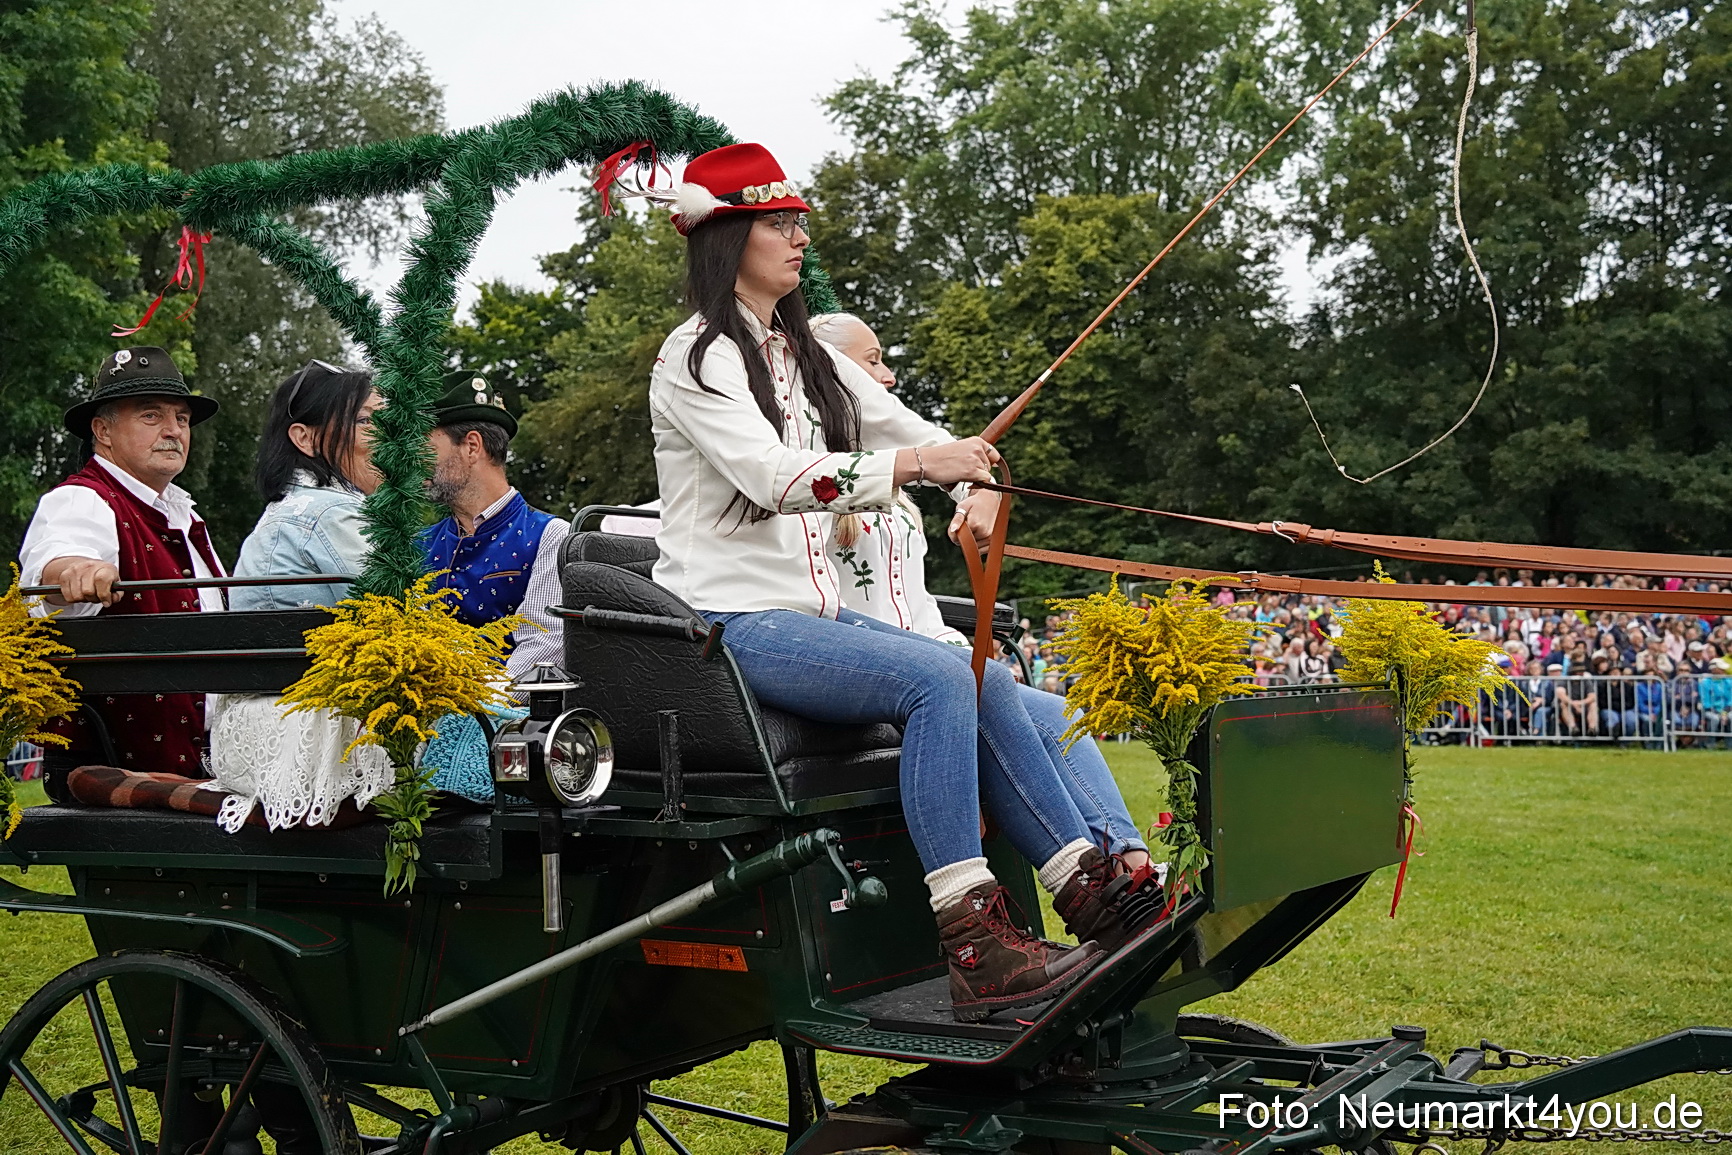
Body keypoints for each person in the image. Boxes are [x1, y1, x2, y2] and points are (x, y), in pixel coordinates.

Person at [645, 143, 1153, 1021]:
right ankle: (973, 940)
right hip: (724, 622)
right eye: (778, 221)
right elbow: (774, 474)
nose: (799, 236)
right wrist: (923, 465)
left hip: (812, 612)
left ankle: (1089, 889)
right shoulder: (695, 357)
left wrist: (975, 482)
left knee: (982, 670)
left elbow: (905, 423)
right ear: (728, 238)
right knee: (933, 676)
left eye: (798, 220)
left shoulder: (806, 351)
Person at [810, 311, 1156, 873]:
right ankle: (1094, 878)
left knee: (1061, 714)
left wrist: (964, 643)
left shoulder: (898, 491)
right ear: (834, 370)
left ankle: (1129, 864)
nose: (890, 376)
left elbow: (915, 604)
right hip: (871, 671)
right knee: (1022, 709)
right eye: (873, 361)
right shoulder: (808, 478)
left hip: (931, 654)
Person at [204, 362, 395, 831]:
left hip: (258, 734)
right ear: (305, 438)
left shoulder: (287, 513)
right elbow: (410, 621)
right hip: (310, 740)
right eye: (369, 421)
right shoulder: (327, 512)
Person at [19, 346, 225, 779]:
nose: (173, 431)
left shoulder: (184, 515)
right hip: (118, 779)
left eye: (182, 419)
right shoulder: (82, 498)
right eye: (151, 416)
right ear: (103, 431)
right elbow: (55, 564)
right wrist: (75, 572)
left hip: (200, 767)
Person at [419, 373, 558, 801]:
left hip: (507, 736)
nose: (412, 463)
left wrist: (461, 696)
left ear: (472, 447)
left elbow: (543, 650)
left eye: (426, 449)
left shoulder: (550, 536)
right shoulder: (418, 545)